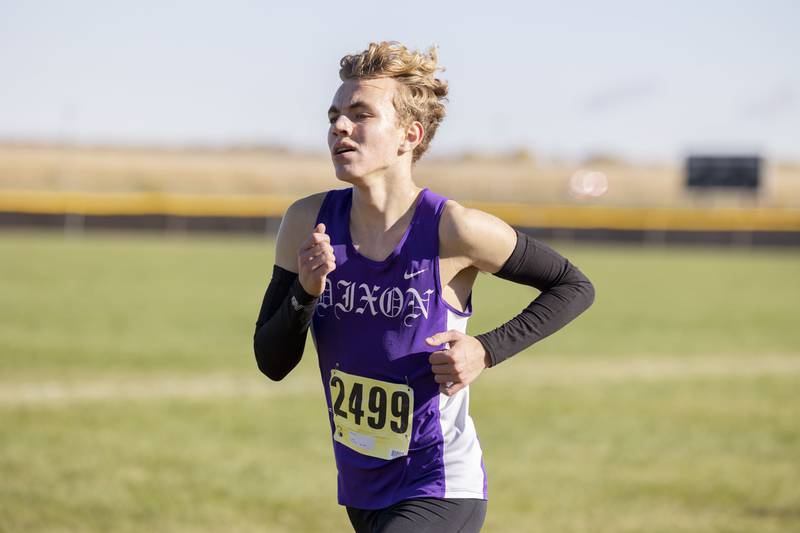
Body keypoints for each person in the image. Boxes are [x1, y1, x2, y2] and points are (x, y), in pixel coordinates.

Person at [253, 41, 595, 533]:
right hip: (361, 486)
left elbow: (572, 285)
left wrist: (485, 350)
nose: (339, 127)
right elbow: (272, 361)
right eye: (334, 114)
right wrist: (304, 292)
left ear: (408, 135)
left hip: (438, 484)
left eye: (360, 114)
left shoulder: (454, 229)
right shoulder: (307, 222)